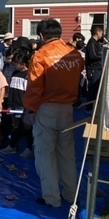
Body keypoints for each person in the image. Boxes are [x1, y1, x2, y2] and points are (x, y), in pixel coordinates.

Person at [23, 18, 84, 208]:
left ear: (42, 36)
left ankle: (52, 198)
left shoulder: (41, 55)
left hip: (46, 108)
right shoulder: (74, 54)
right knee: (67, 153)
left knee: (45, 154)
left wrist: (30, 109)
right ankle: (71, 193)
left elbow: (35, 86)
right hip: (68, 109)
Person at [0, 50, 34, 157]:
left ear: (23, 64)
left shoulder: (29, 75)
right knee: (15, 126)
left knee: (27, 127)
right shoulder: (14, 73)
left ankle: (29, 148)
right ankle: (13, 146)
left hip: (23, 105)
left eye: (17, 63)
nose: (14, 64)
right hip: (13, 104)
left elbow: (29, 92)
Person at [85, 25, 104, 108]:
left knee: (96, 88)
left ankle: (93, 106)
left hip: (97, 68)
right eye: (101, 32)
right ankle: (89, 107)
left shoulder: (96, 43)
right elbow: (92, 55)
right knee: (93, 88)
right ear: (98, 32)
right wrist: (102, 56)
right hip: (93, 68)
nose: (102, 35)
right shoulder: (92, 42)